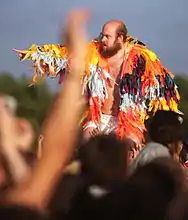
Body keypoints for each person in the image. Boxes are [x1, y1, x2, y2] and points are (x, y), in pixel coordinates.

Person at [14, 20, 181, 145]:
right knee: (88, 141)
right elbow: (64, 54)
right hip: (97, 117)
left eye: (107, 36)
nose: (103, 39)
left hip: (129, 121)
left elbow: (164, 85)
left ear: (120, 38)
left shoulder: (141, 59)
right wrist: (34, 53)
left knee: (131, 146)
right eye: (102, 35)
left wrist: (171, 115)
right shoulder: (93, 52)